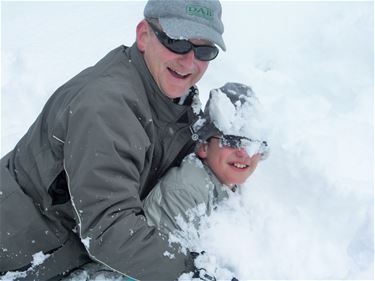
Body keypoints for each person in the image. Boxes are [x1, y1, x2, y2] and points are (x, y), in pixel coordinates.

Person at [0, 0, 226, 280]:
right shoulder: (106, 108)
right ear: (144, 36)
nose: (189, 61)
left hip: (61, 248)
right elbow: (109, 230)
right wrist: (191, 273)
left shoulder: (167, 93)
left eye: (204, 49)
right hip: (16, 250)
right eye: (176, 42)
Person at [143, 82, 269, 238]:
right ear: (204, 147)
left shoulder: (233, 185)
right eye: (230, 141)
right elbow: (170, 257)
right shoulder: (186, 189)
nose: (244, 153)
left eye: (252, 144)